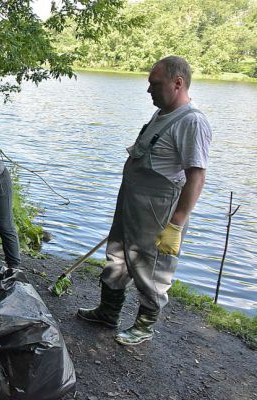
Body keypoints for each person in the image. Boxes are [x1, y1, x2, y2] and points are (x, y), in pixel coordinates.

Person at [77, 56, 213, 345]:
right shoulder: (162, 113)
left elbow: (196, 177)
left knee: (151, 268)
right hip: (132, 203)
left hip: (158, 210)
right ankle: (108, 313)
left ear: (178, 83)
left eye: (155, 84)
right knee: (117, 258)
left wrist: (176, 225)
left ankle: (144, 326)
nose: (149, 90)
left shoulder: (192, 121)